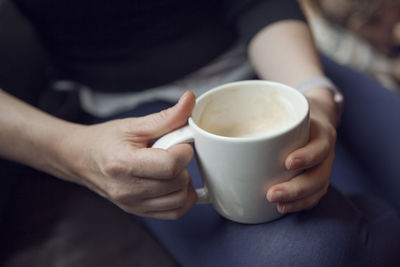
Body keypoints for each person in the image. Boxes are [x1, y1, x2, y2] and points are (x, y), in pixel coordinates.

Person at [0, 0, 399, 266]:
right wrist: (71, 152)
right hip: (123, 113)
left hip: (277, 61)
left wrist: (314, 94)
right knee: (308, 253)